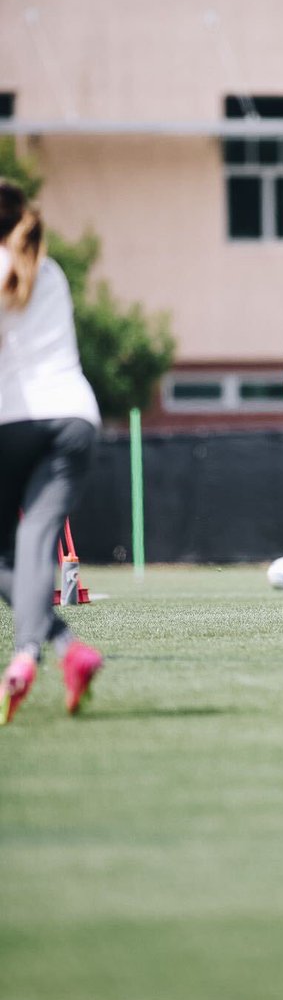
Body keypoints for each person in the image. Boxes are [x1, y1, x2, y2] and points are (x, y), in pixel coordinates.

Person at [0, 179, 103, 725]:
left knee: (9, 557)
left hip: (11, 421)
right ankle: (64, 652)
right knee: (35, 540)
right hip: (75, 418)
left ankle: (29, 655)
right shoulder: (52, 270)